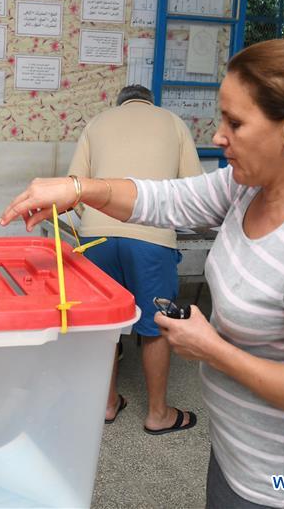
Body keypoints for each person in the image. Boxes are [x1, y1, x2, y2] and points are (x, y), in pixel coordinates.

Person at [0, 39, 284, 508]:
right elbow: (165, 199)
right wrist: (78, 188)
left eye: (235, 122)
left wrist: (212, 350)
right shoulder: (248, 188)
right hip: (237, 457)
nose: (219, 136)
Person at [67, 84, 201, 430]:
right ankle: (158, 414)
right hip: (151, 234)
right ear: (148, 102)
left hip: (97, 235)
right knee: (157, 325)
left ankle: (107, 404)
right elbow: (194, 189)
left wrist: (94, 218)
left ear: (120, 104)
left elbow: (74, 185)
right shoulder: (172, 122)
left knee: (106, 323)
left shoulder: (97, 123)